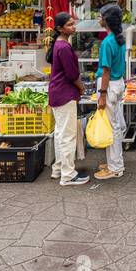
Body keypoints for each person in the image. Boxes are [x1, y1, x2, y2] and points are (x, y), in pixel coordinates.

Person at [47, 13, 87, 186]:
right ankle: (68, 175)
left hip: (58, 92)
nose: (73, 27)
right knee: (67, 135)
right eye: (69, 25)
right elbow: (72, 74)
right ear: (60, 28)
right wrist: (81, 86)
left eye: (73, 23)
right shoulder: (63, 47)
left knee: (60, 133)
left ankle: (58, 169)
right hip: (65, 93)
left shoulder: (59, 44)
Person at [93, 5, 129, 181]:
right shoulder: (118, 39)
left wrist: (102, 94)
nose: (99, 19)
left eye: (100, 16)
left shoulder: (108, 42)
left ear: (107, 20)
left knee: (112, 127)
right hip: (118, 83)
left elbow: (105, 71)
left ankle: (115, 167)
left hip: (110, 86)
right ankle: (114, 162)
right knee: (114, 125)